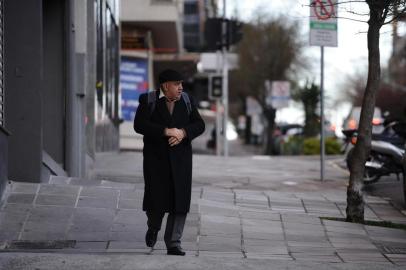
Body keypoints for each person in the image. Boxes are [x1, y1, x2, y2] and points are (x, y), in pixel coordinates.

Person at [133, 69, 205, 256]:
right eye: (176, 84)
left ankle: (174, 243)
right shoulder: (147, 100)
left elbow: (200, 125)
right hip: (155, 160)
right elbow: (139, 125)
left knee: (179, 201)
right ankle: (153, 227)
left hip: (181, 160)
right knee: (156, 199)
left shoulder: (187, 101)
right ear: (165, 85)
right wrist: (166, 131)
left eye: (181, 83)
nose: (181, 87)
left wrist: (183, 133)